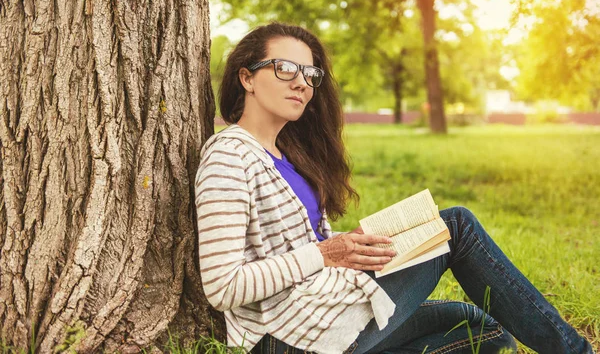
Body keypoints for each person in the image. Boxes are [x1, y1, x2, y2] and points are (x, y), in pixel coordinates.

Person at [195, 22, 594, 354]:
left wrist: (346, 248)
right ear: (246, 77)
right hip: (288, 334)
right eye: (285, 68)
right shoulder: (230, 156)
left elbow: (306, 248)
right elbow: (222, 286)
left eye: (309, 73)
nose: (301, 82)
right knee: (456, 227)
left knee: (486, 329)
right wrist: (325, 253)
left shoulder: (287, 154)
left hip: (326, 309)